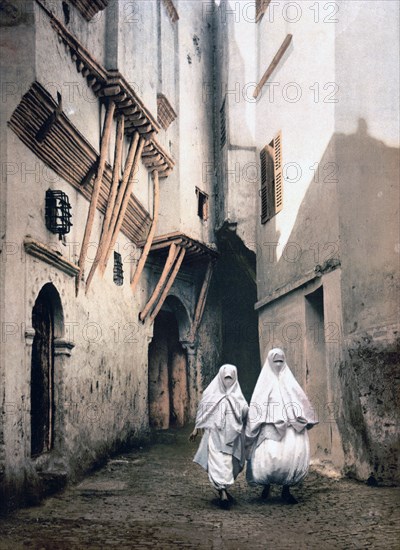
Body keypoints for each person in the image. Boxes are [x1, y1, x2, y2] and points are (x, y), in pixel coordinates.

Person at [245, 348, 318, 504]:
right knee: (270, 458)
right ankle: (266, 485)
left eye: (281, 361)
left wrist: (301, 417)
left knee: (289, 458)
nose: (278, 364)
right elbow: (258, 404)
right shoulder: (263, 384)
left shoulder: (290, 383)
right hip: (270, 428)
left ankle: (286, 489)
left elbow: (300, 400)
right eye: (275, 361)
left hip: (291, 429)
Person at [189, 364, 248, 509]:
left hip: (231, 438)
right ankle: (222, 492)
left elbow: (245, 413)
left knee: (228, 463)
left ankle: (224, 489)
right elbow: (203, 413)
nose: (228, 381)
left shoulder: (237, 396)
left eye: (231, 378)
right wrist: (196, 429)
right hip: (215, 435)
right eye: (226, 378)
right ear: (221, 378)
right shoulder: (211, 394)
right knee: (217, 462)